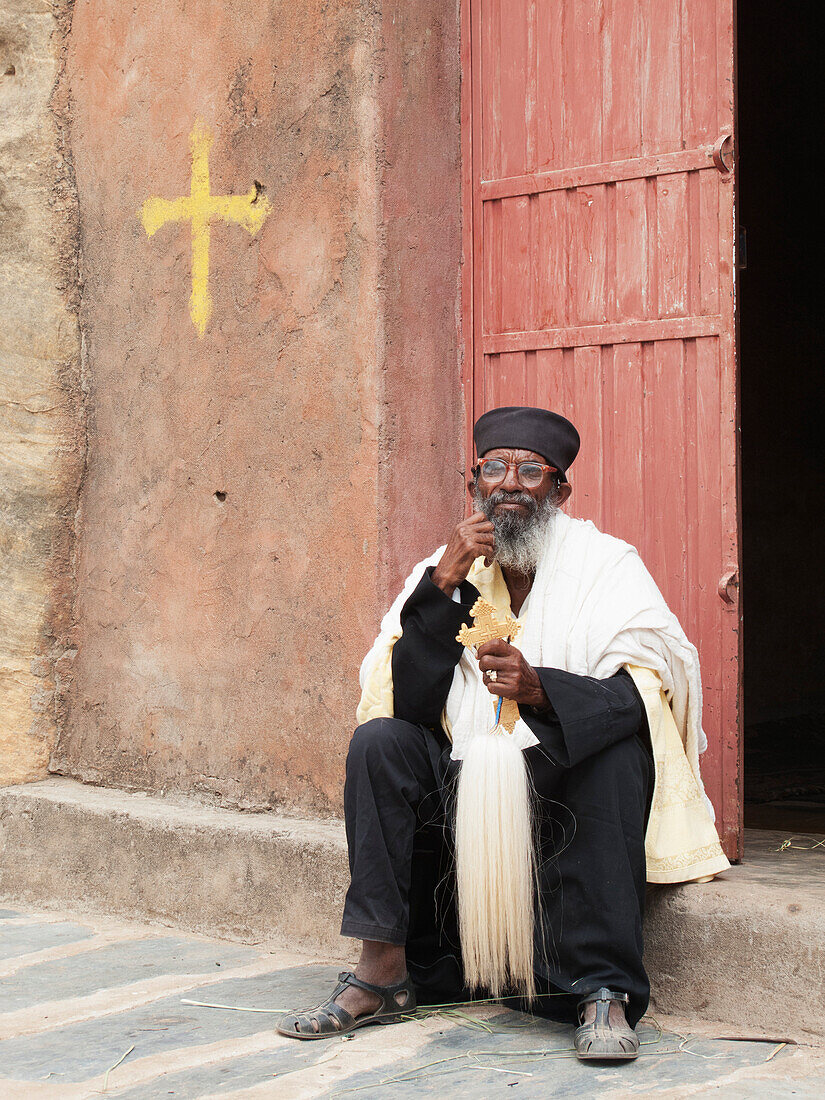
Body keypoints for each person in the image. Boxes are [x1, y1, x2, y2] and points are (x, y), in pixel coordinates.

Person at [277, 406, 729, 1060]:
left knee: (615, 753)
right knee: (379, 743)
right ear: (473, 485)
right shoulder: (441, 569)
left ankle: (600, 989)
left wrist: (540, 689)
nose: (509, 484)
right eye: (494, 469)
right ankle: (383, 970)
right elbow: (407, 702)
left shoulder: (606, 565)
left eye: (530, 471)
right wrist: (442, 585)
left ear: (560, 491)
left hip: (558, 783)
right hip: (465, 778)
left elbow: (640, 697)